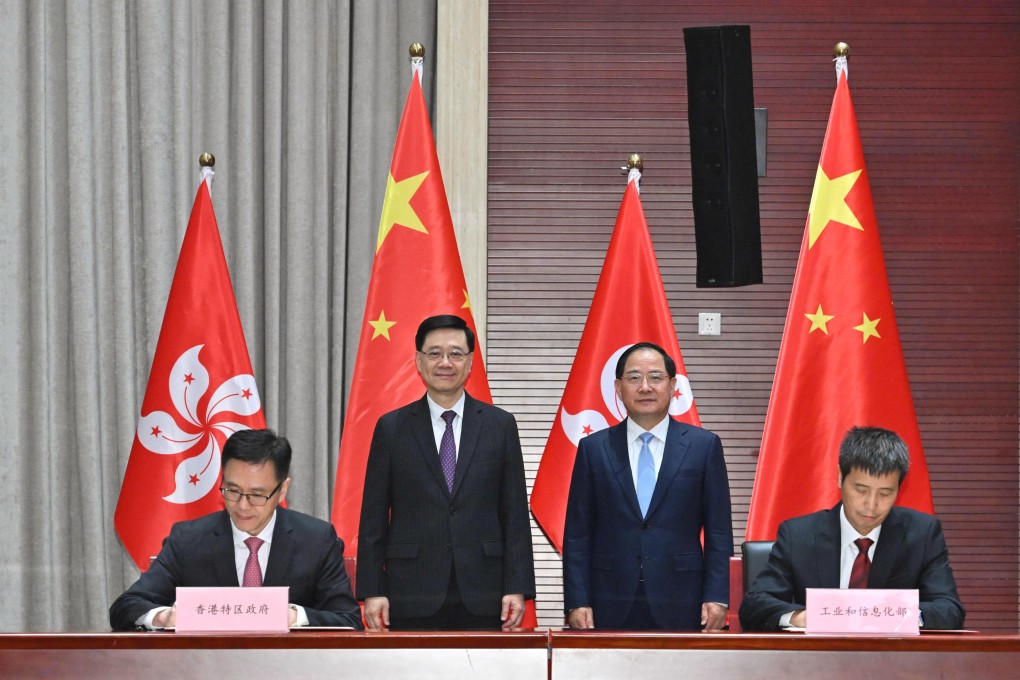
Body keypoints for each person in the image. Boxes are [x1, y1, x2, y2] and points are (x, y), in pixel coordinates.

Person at [357, 314, 535, 630]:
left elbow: (515, 515)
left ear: (469, 363)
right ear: (418, 361)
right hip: (411, 590)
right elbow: (372, 517)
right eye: (435, 353)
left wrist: (517, 586)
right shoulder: (391, 427)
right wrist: (373, 590)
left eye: (455, 353)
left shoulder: (500, 425)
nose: (445, 362)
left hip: (485, 590)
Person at [110, 428, 363, 631]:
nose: (242, 506)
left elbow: (348, 619)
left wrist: (294, 617)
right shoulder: (188, 539)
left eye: (256, 494)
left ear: (282, 489)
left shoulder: (316, 539)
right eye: (232, 490)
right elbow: (126, 607)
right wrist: (165, 617)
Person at [563, 342, 733, 630]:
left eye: (655, 377)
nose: (645, 387)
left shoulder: (703, 446)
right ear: (618, 387)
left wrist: (717, 596)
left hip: (683, 597)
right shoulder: (593, 449)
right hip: (608, 597)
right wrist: (577, 600)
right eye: (634, 378)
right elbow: (578, 533)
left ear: (672, 385)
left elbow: (718, 531)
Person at [739, 426, 965, 631]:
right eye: (861, 490)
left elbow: (949, 609)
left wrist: (899, 616)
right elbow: (755, 606)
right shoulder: (798, 535)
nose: (871, 504)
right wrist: (803, 617)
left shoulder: (922, 534)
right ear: (840, 477)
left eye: (885, 493)